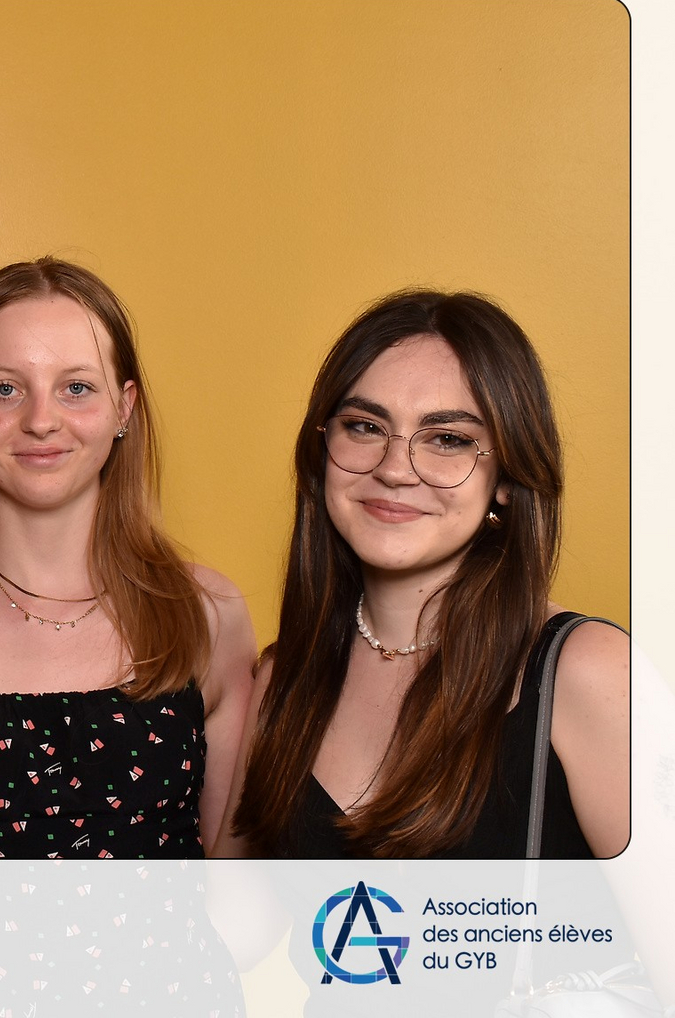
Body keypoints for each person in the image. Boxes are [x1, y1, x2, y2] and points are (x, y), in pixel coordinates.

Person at [224, 289, 629, 858]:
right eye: (364, 426)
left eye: (448, 439)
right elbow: (234, 906)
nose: (395, 470)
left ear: (507, 477)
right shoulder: (282, 678)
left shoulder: (588, 670)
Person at [0, 258, 256, 858]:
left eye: (76, 388)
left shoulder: (209, 613)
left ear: (124, 407)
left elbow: (233, 874)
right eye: (5, 388)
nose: (41, 421)